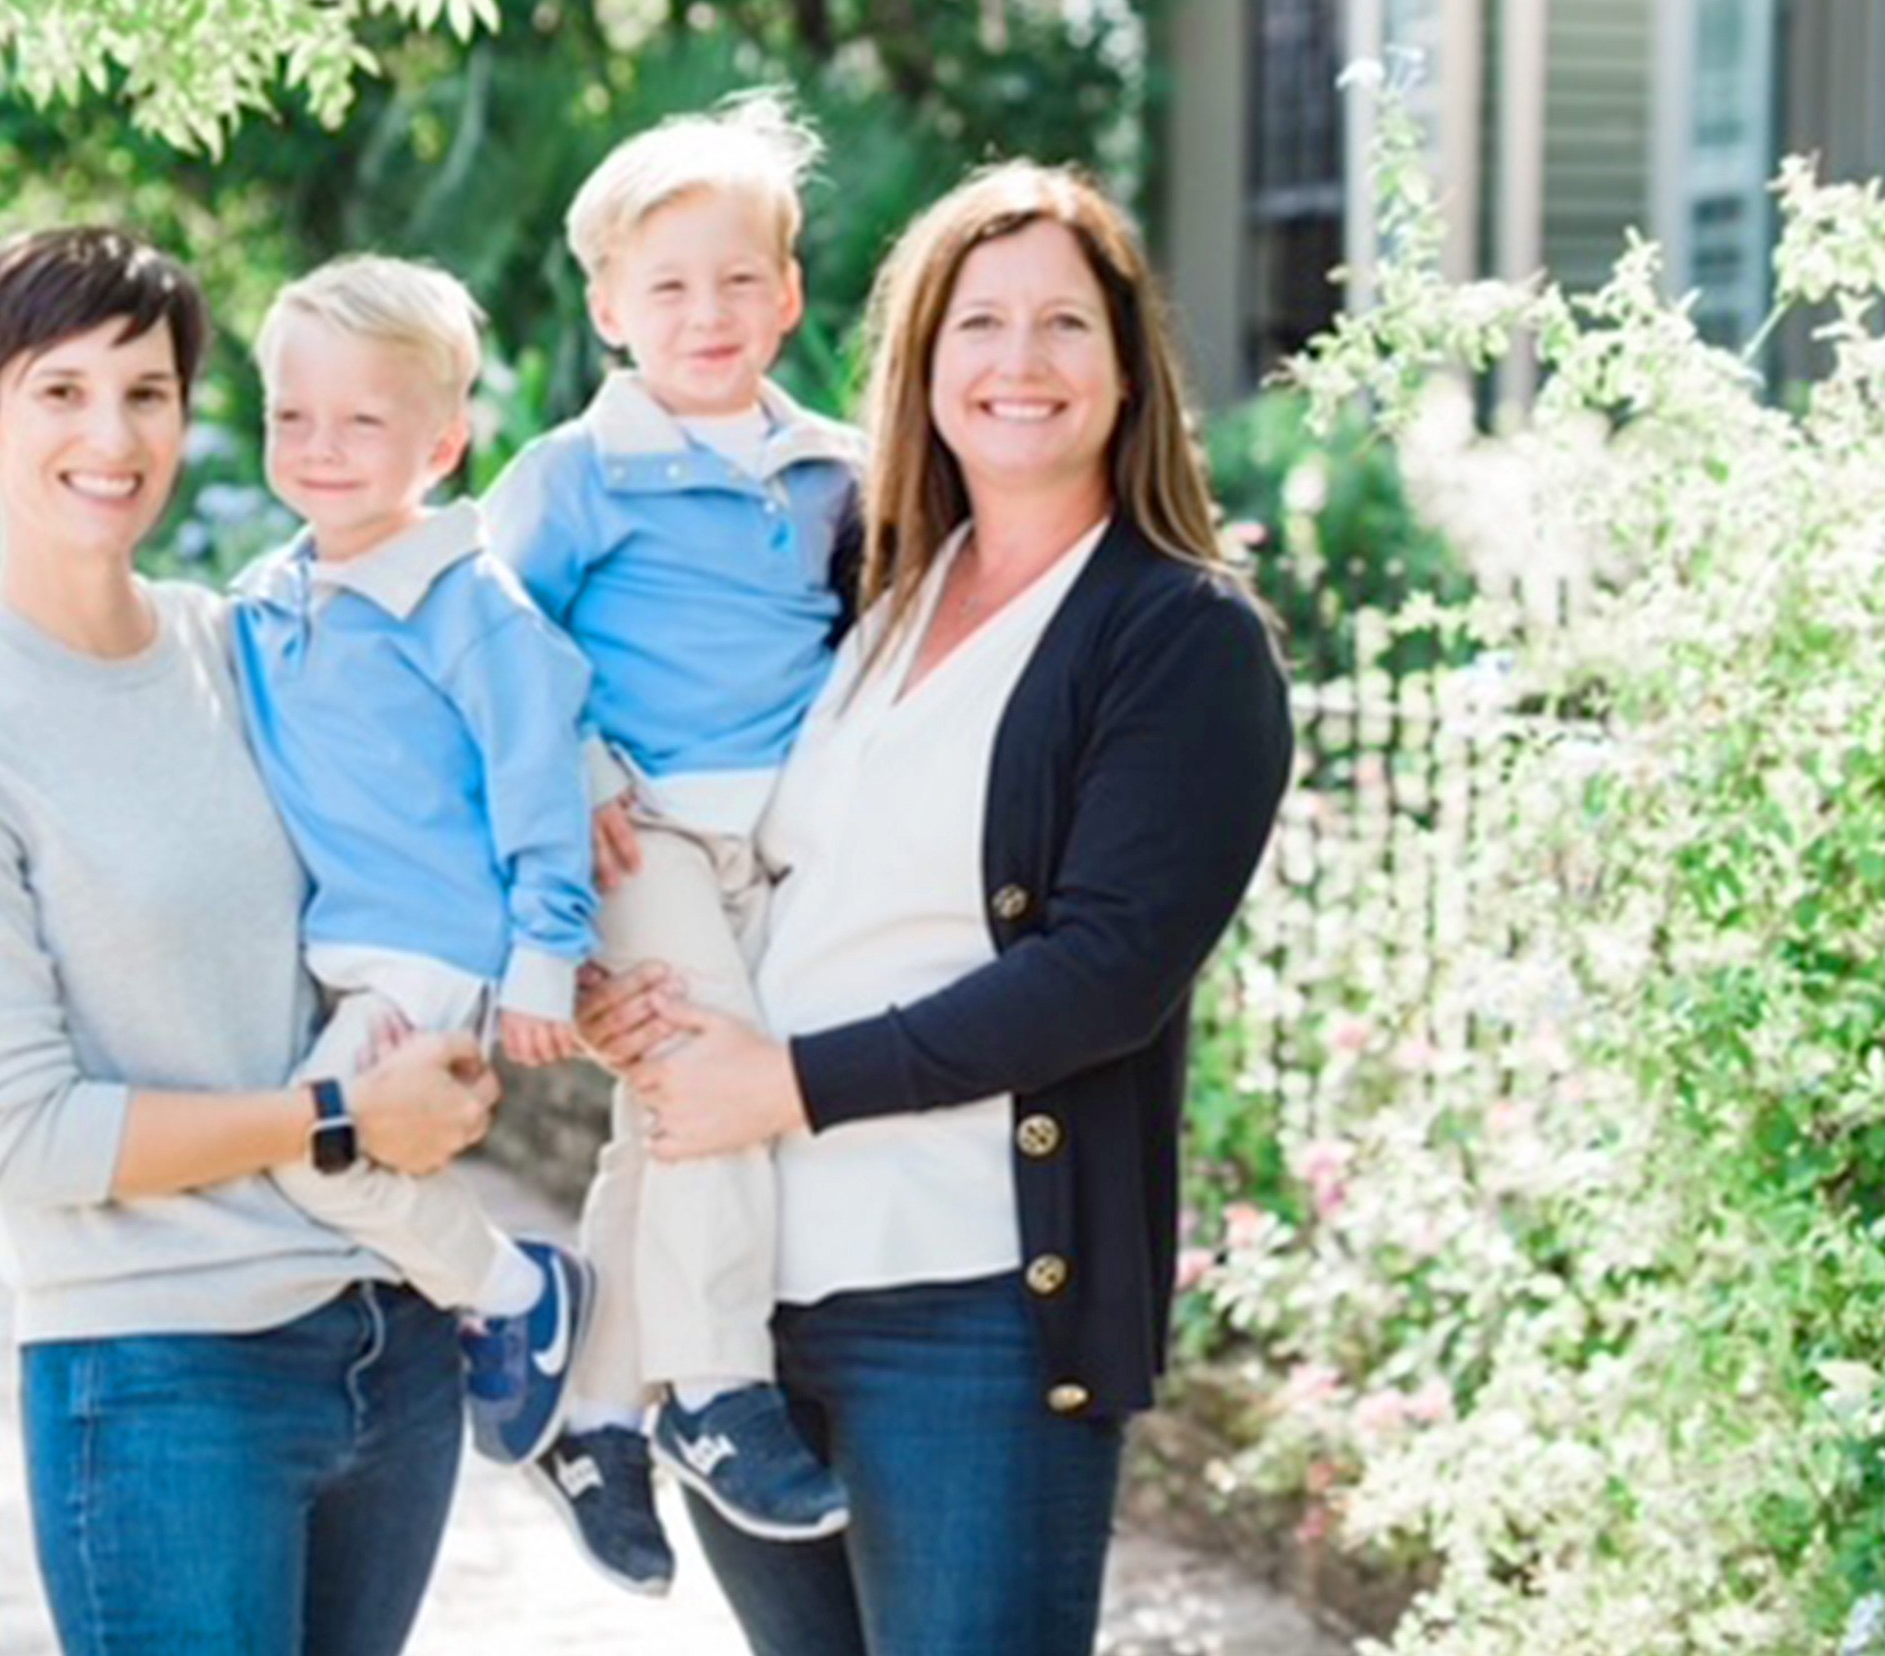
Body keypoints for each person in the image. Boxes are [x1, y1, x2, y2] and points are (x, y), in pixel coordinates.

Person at [584, 162, 1293, 1655]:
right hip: (754, 1310)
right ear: (920, 361)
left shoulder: (1177, 634)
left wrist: (781, 1083)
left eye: (1062, 325)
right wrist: (632, 995)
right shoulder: (870, 582)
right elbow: (751, 866)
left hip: (970, 1309)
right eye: (978, 323)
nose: (1018, 364)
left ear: (1126, 366)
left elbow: (1101, 974)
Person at [0, 227, 502, 1656]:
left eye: (146, 392)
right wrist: (340, 1115)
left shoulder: (253, 643)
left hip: (389, 1349)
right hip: (161, 1381)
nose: (112, 433)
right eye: (60, 391)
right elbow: (24, 1133)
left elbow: (433, 813)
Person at [479, 93, 860, 1592]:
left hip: (786, 838)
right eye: (670, 287)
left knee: (675, 1118)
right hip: (642, 836)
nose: (708, 313)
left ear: (790, 296)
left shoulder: (838, 466)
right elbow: (490, 637)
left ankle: (589, 1415)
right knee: (717, 1087)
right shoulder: (580, 470)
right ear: (610, 308)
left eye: (740, 280)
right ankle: (710, 1389)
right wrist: (570, 761)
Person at [225, 254, 594, 1469]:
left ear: (441, 448)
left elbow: (541, 770)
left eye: (362, 422)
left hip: (432, 944)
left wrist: (546, 951)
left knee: (321, 1153)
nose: (320, 447)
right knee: (323, 1144)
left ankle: (513, 1292)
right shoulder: (267, 597)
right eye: (293, 417)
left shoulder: (465, 601)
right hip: (340, 939)